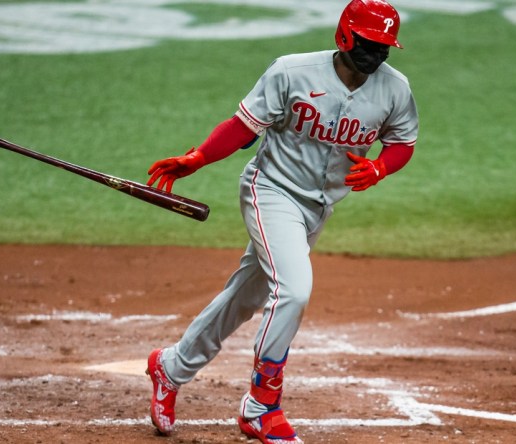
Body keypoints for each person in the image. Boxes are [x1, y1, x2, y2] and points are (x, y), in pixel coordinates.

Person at [143, 1, 418, 442]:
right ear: (345, 36)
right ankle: (261, 407)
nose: (375, 56)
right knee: (292, 291)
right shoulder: (293, 72)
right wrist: (198, 157)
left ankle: (170, 368)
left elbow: (402, 141)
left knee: (246, 296)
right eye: (368, 44)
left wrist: (381, 168)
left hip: (317, 208)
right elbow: (243, 127)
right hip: (271, 191)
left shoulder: (394, 89)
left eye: (384, 47)